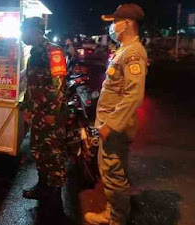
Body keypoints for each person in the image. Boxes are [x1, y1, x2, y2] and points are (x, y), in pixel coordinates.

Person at [85, 4, 148, 225]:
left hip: (115, 127)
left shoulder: (133, 53)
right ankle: (113, 212)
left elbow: (133, 96)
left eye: (114, 22)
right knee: (112, 170)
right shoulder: (124, 49)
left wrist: (110, 125)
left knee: (113, 173)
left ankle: (117, 219)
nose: (112, 26)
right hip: (111, 123)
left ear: (127, 23)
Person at [20, 17, 68, 222]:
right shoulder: (33, 53)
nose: (23, 36)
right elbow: (31, 84)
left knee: (54, 156)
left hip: (51, 117)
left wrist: (51, 113)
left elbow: (58, 85)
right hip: (37, 114)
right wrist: (27, 107)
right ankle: (42, 188)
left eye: (25, 31)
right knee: (39, 151)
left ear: (34, 31)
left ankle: (55, 203)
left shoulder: (53, 51)